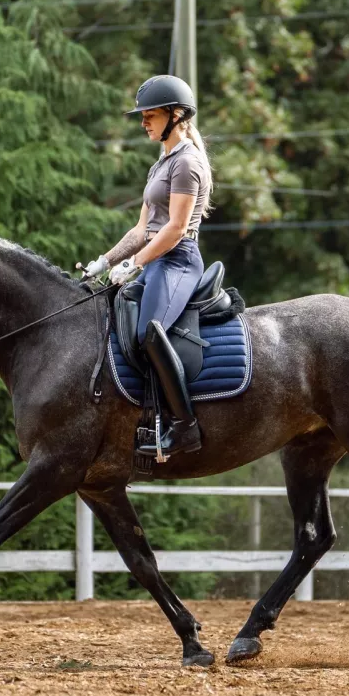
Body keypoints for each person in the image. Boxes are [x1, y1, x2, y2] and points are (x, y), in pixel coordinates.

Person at [83, 75, 213, 457]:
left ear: (176, 115)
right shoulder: (161, 162)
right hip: (156, 256)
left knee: (147, 332)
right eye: (142, 116)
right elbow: (142, 228)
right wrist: (106, 260)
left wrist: (135, 264)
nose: (143, 122)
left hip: (178, 259)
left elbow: (174, 228)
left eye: (150, 115)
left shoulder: (187, 163)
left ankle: (185, 426)